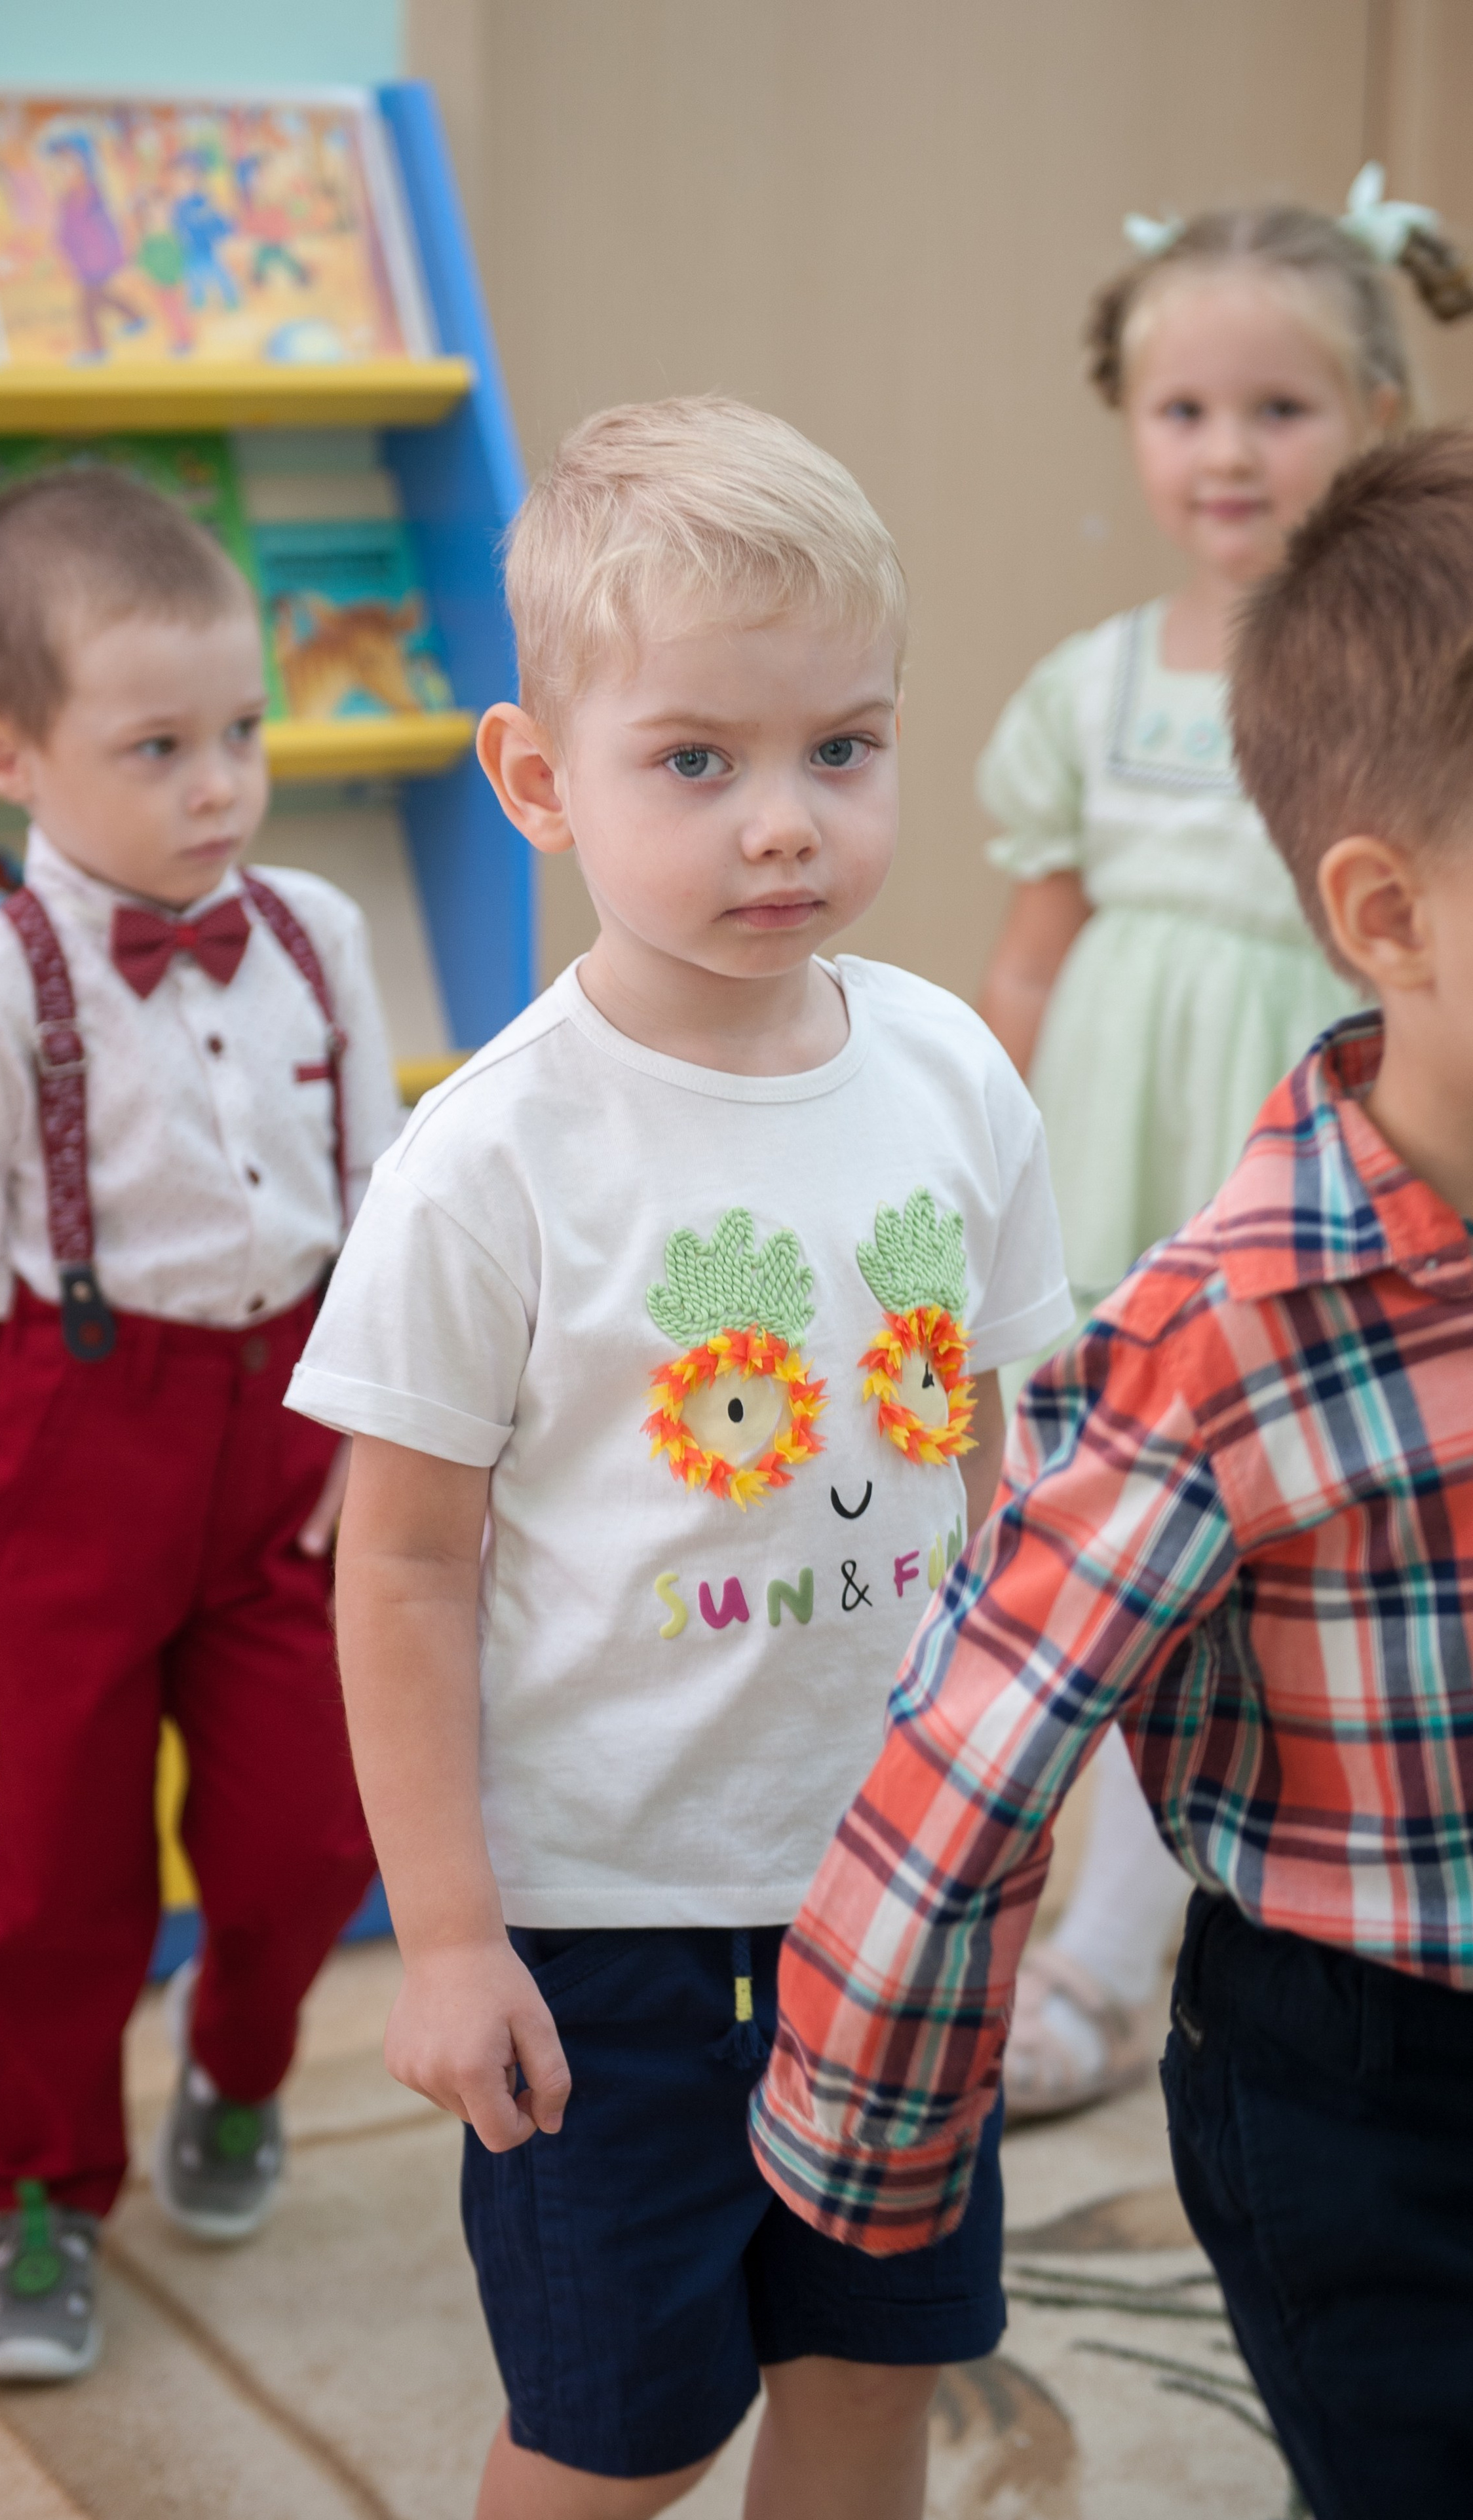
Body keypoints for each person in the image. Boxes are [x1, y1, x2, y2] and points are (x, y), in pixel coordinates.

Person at [288, 397, 1071, 2520]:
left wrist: (1011, 1792)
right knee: (616, 2435)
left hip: (898, 1884)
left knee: (868, 2375)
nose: (784, 825)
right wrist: (447, 1935)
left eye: (844, 748)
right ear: (542, 780)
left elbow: (1004, 1453)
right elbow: (404, 1567)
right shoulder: (493, 1158)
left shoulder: (952, 1076)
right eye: (696, 761)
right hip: (603, 1931)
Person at [753, 425, 1473, 2520]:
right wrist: (865, 2182)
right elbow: (969, 1770)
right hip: (1368, 2081)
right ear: (1388, 910)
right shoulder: (1217, 1337)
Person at [0, 468, 399, 2381]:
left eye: (241, 731)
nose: (217, 783)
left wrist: (387, 1441)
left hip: (298, 1437)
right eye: (156, 747)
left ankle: (237, 2075)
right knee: (60, 1875)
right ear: (6, 753)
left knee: (312, 1836)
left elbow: (384, 1201)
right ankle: (39, 2200)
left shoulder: (313, 927)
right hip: (79, 1445)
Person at [974, 170, 1473, 2120]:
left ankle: (1189, 1923)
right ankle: (1086, 1933)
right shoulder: (1087, 694)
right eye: (1187, 412)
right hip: (1122, 1189)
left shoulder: (1402, 704)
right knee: (1115, 1551)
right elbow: (1028, 967)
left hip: (1329, 1199)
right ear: (1127, 423)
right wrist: (964, 1170)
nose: (1230, 452)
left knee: (1298, 1570)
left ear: (1379, 419)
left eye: (1283, 409)